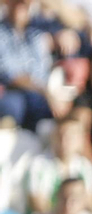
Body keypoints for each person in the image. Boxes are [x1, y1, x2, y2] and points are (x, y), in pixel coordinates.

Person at [25, 113, 92, 214]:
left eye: (71, 136)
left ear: (80, 139)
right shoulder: (39, 164)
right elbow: (38, 204)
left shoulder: (85, 166)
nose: (64, 141)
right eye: (60, 135)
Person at [0, 0, 55, 131]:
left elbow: (42, 71)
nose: (19, 7)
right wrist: (44, 92)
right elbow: (11, 74)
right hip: (12, 93)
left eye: (24, 4)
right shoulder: (1, 33)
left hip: (38, 94)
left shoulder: (36, 35)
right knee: (13, 105)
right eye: (15, 2)